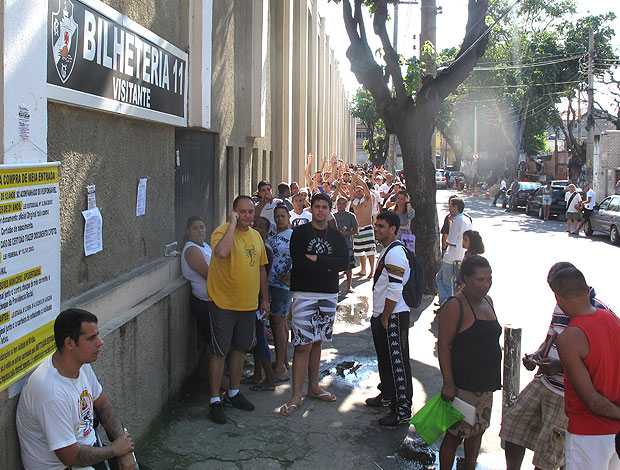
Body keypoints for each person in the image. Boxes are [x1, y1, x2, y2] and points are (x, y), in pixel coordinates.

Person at [501, 262, 612, 470]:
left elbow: (597, 360)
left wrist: (560, 366)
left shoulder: (599, 312)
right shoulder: (562, 305)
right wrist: (537, 356)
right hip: (545, 382)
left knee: (549, 453)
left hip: (567, 392)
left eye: (557, 292)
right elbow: (551, 337)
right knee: (513, 425)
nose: (556, 299)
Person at [16, 309, 141, 470]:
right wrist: (116, 450)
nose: (100, 342)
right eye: (91, 338)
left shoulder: (81, 365)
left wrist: (123, 448)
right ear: (69, 343)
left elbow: (103, 404)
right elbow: (70, 456)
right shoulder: (50, 392)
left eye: (97, 335)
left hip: (89, 453)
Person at [279, 193, 349, 416]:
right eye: (317, 207)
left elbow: (343, 263)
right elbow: (298, 262)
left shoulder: (336, 236)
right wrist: (327, 265)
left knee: (318, 341)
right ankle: (296, 396)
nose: (320, 210)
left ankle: (314, 386)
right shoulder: (300, 233)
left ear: (329, 210)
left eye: (324, 207)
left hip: (328, 294)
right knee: (302, 345)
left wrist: (317, 259)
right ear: (312, 209)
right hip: (304, 294)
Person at [206, 195, 269, 424]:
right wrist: (232, 225)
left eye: (250, 212)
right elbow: (222, 253)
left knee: (240, 349)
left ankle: (233, 392)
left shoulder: (256, 236)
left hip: (248, 305)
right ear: (234, 212)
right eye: (242, 212)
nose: (247, 216)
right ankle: (214, 399)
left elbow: (262, 269)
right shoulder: (221, 232)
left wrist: (265, 300)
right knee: (219, 352)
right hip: (223, 304)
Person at [437, 256, 502, 470]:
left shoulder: (489, 301)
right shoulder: (456, 305)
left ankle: (470, 466)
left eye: (488, 279)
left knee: (478, 431)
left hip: (486, 384)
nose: (485, 284)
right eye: (480, 280)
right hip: (463, 387)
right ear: (466, 279)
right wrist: (448, 382)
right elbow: (444, 345)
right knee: (456, 435)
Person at [554, 267, 620, 470]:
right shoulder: (613, 320)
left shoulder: (570, 337)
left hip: (588, 434)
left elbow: (591, 400)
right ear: (587, 290)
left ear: (558, 298)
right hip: (616, 434)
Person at [367, 211, 413, 426]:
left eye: (381, 226)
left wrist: (385, 316)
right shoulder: (387, 250)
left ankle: (402, 409)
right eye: (376, 226)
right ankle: (387, 395)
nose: (377, 229)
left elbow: (395, 289)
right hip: (383, 315)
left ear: (393, 229)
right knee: (385, 359)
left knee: (398, 363)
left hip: (393, 316)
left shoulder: (395, 254)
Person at [266, 204, 294, 381]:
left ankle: (281, 366)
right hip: (270, 282)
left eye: (283, 216)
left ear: (288, 217)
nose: (280, 219)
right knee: (280, 322)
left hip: (284, 285)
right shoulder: (273, 234)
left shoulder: (293, 236)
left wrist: (293, 274)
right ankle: (283, 361)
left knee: (277, 322)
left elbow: (300, 257)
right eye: (277, 216)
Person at [181, 216, 212, 349]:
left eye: (202, 227)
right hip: (203, 303)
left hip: (213, 300)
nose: (200, 231)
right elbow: (209, 275)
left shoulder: (205, 245)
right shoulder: (192, 249)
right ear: (188, 231)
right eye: (195, 228)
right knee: (213, 342)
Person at [436, 197, 471, 306]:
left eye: (450, 206)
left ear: (456, 207)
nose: (449, 209)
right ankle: (447, 302)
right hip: (460, 254)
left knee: (444, 281)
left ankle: (446, 303)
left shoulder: (457, 220)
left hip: (451, 255)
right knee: (446, 280)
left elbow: (450, 240)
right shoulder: (466, 219)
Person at [350, 172, 376, 278]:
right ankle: (363, 270)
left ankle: (372, 271)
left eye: (360, 191)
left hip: (367, 228)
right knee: (360, 252)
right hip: (358, 229)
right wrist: (353, 179)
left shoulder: (368, 199)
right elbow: (351, 188)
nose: (358, 192)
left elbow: (365, 187)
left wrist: (359, 179)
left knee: (370, 250)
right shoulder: (354, 201)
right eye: (357, 191)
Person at [333, 195, 359, 293]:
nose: (341, 205)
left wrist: (346, 233)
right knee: (335, 267)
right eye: (340, 203)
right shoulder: (333, 216)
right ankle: (334, 286)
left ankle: (349, 286)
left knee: (349, 267)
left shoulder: (351, 216)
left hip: (348, 245)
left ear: (346, 205)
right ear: (337, 204)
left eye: (344, 204)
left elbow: (356, 230)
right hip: (336, 245)